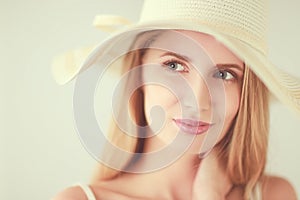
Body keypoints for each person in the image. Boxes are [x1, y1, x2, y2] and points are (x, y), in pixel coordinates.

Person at [52, 0, 299, 199]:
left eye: (224, 74)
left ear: (246, 94)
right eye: (174, 65)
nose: (198, 100)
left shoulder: (273, 195)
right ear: (138, 72)